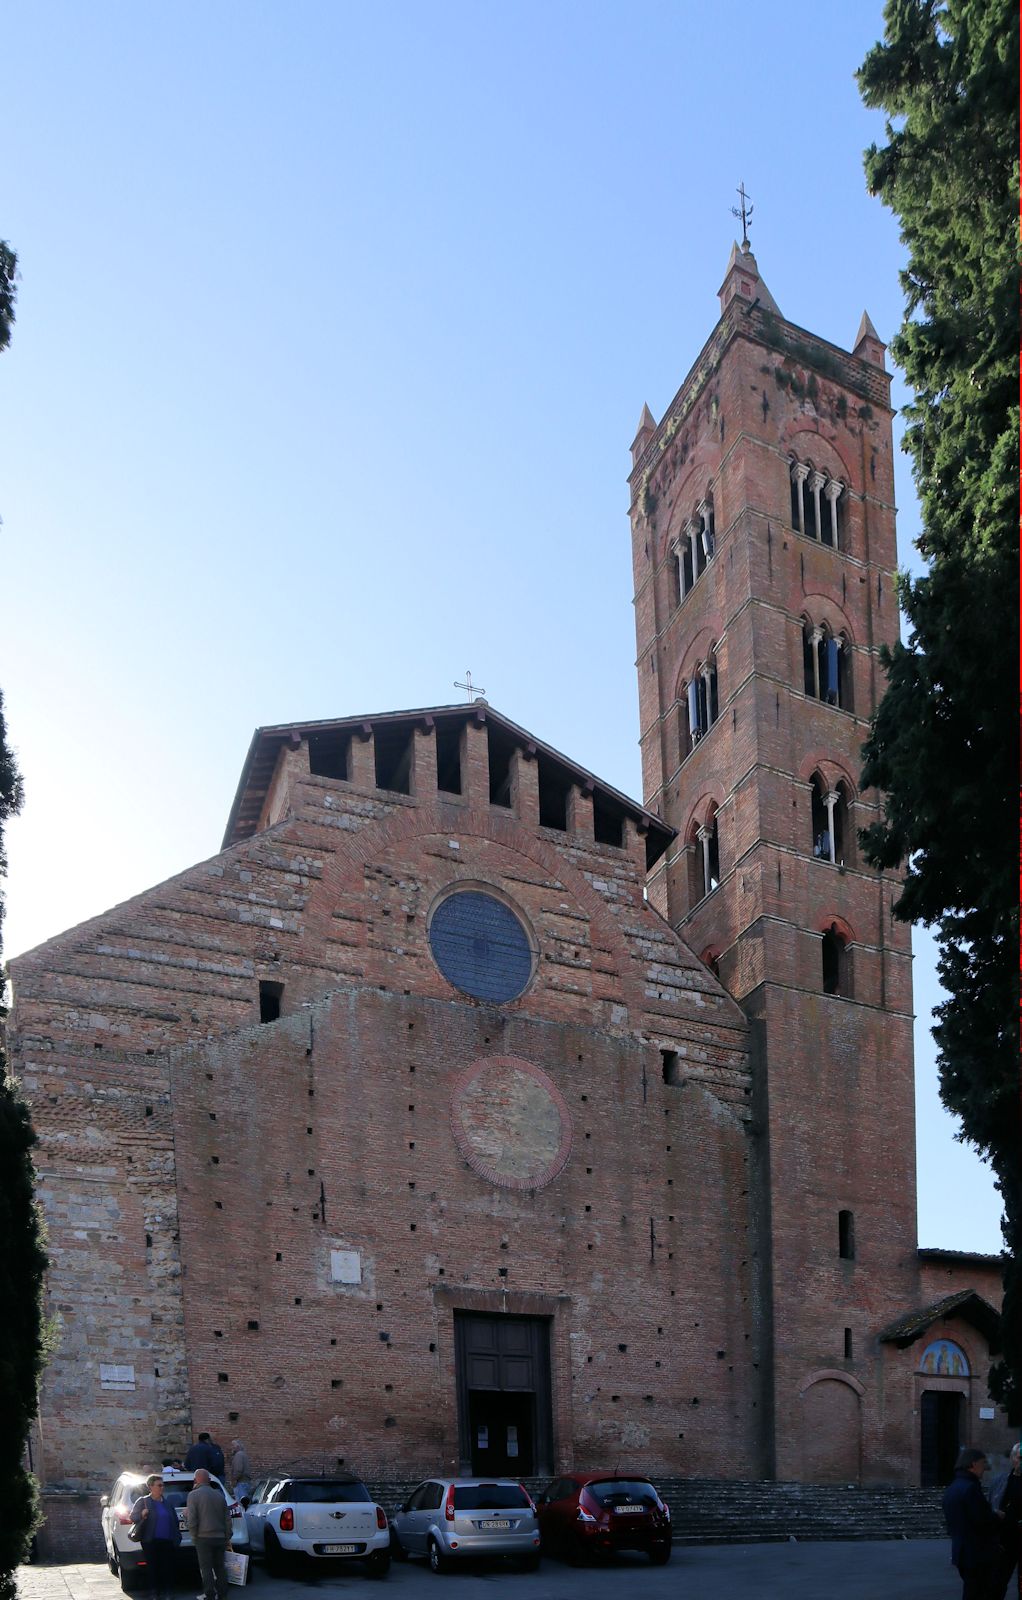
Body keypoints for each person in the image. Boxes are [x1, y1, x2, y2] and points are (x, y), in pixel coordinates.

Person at [943, 1446, 1005, 1600]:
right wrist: (997, 1516)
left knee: (972, 1591)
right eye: (983, 1463)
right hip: (977, 1554)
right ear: (973, 1464)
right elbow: (982, 1521)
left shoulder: (952, 1488)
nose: (985, 1469)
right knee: (979, 1592)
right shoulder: (970, 1488)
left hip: (962, 1552)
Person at [129, 1472, 181, 1600]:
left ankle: (168, 1592)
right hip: (150, 1541)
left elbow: (174, 1520)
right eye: (159, 1485)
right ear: (150, 1487)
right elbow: (133, 1517)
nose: (162, 1488)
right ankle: (154, 1592)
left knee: (167, 1567)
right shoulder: (143, 1501)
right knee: (153, 1568)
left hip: (167, 1540)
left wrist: (177, 1536)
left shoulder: (167, 1503)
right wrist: (142, 1514)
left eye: (163, 1485)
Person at [186, 1467, 232, 1600]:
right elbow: (227, 1519)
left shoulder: (193, 1495)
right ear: (209, 1480)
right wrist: (227, 1536)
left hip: (203, 1538)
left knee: (206, 1569)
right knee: (220, 1567)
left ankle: (209, 1594)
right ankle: (223, 1594)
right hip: (220, 1537)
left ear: (196, 1480)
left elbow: (192, 1519)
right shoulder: (219, 1495)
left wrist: (194, 1536)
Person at [989, 1443, 1021, 1600]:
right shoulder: (1000, 1482)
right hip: (1005, 1542)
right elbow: (991, 1505)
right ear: (1012, 1458)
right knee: (998, 1582)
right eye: (1020, 1458)